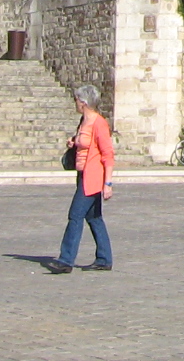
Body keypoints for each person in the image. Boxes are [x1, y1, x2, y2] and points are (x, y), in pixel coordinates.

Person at [44, 84, 114, 274]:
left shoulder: (99, 123)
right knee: (94, 217)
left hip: (93, 177)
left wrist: (108, 183)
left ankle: (66, 260)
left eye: (76, 100)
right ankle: (104, 258)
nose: (75, 103)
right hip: (82, 173)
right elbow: (83, 142)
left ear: (83, 103)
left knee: (75, 215)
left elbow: (108, 154)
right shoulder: (83, 121)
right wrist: (74, 142)